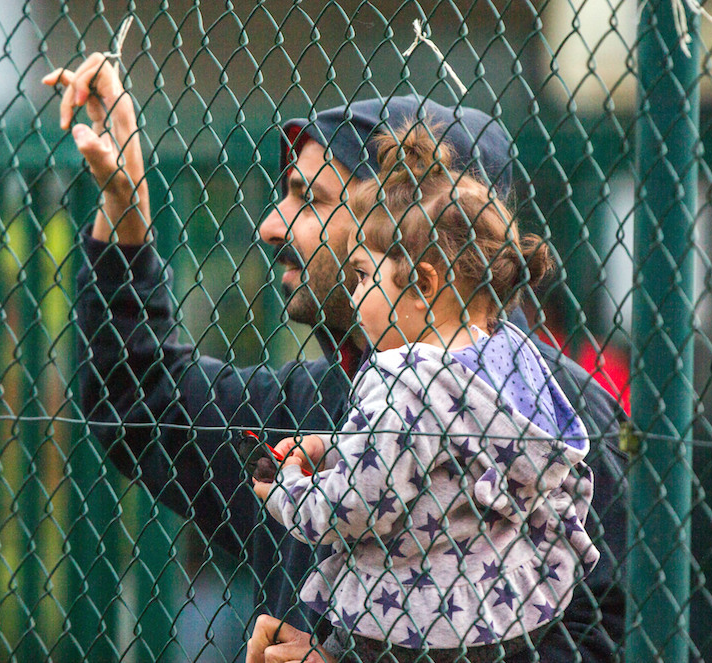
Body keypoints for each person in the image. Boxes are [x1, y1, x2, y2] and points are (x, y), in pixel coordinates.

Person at [43, 52, 627, 661]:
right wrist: (125, 209)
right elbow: (141, 393)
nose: (271, 225)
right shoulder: (313, 398)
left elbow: (607, 639)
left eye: (309, 197)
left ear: (412, 230)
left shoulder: (559, 418)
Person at [251, 121, 601, 660]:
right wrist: (339, 446)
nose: (353, 289)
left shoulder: (401, 379)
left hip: (409, 624)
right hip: (506, 609)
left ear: (421, 285)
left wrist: (287, 489)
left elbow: (358, 503)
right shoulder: (508, 356)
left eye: (364, 275)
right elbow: (425, 458)